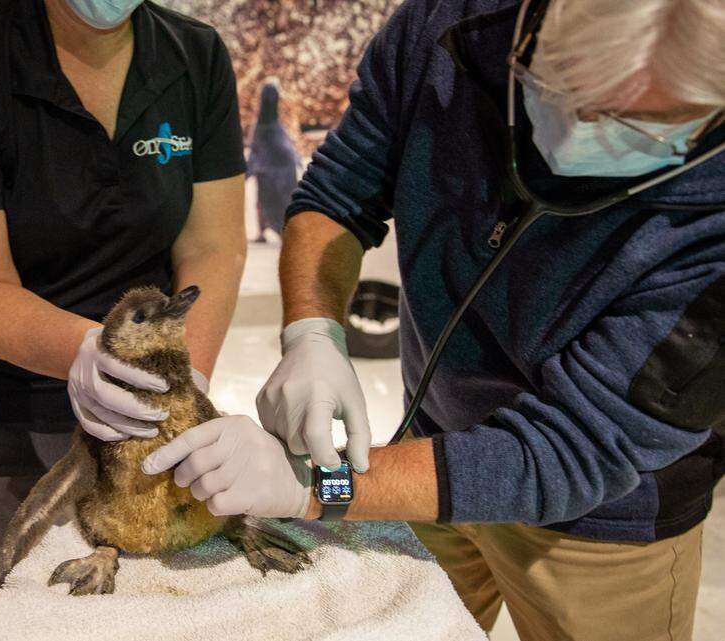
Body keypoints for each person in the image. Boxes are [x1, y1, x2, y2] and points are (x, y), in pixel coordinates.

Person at [142, 1, 725, 640]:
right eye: (556, 92)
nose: (574, 138)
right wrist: (312, 332)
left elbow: (569, 451)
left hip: (601, 520)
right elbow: (338, 192)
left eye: (639, 128)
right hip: (425, 454)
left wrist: (316, 485)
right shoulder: (453, 24)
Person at [0, 0, 246, 479]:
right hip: (8, 409)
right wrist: (89, 351)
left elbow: (213, 246)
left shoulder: (195, 54)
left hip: (151, 393)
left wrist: (184, 377)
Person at [247, 80, 301, 243]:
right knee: (281, 200)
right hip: (283, 168)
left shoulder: (263, 127)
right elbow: (287, 147)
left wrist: (249, 170)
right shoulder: (276, 126)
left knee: (267, 200)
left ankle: (271, 231)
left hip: (270, 169)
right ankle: (278, 231)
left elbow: (256, 149)